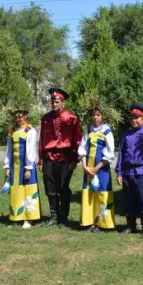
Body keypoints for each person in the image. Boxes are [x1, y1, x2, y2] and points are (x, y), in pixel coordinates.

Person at [39, 87, 82, 227]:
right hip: (49, 157)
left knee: (63, 188)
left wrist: (75, 159)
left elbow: (77, 140)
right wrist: (41, 159)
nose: (54, 104)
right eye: (52, 101)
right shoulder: (46, 118)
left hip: (65, 158)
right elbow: (42, 139)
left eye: (57, 101)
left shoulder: (71, 118)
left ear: (62, 102)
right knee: (50, 188)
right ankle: (53, 216)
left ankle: (64, 218)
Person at [116, 102, 143, 236]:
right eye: (132, 117)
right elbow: (121, 154)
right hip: (127, 172)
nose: (134, 120)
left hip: (142, 172)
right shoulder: (126, 134)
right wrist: (119, 172)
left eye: (137, 117)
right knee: (129, 200)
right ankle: (130, 225)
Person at [78, 107, 116, 232]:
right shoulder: (88, 130)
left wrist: (96, 168)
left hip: (101, 169)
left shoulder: (107, 131)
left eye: (98, 115)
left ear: (103, 116)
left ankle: (102, 222)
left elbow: (109, 153)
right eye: (93, 115)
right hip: (88, 169)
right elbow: (83, 149)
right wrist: (85, 167)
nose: (95, 117)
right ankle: (90, 221)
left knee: (101, 193)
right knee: (90, 193)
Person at [2, 110, 40, 228]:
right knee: (15, 189)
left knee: (27, 189)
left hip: (25, 164)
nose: (19, 118)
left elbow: (31, 149)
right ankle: (16, 216)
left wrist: (29, 167)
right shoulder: (12, 131)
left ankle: (29, 218)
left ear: (26, 116)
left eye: (21, 116)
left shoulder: (30, 130)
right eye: (16, 116)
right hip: (15, 165)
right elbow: (9, 149)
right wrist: (7, 166)